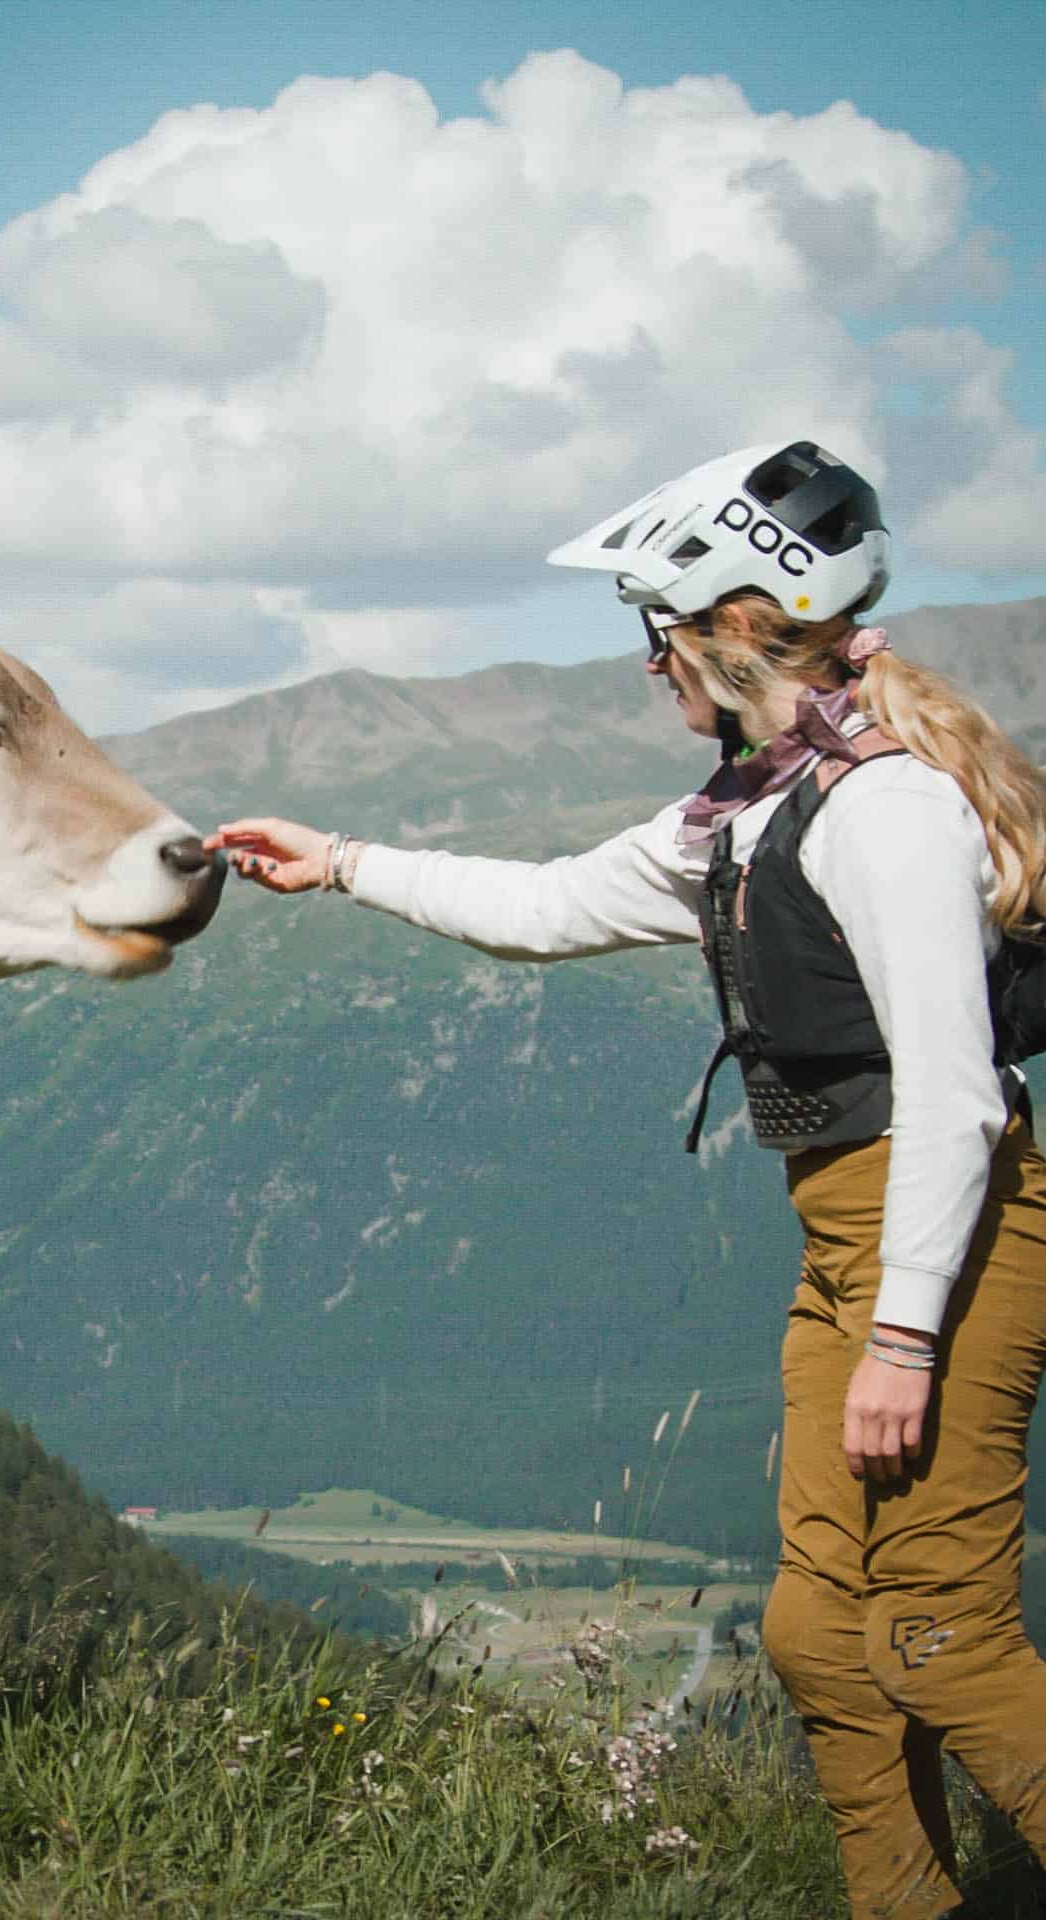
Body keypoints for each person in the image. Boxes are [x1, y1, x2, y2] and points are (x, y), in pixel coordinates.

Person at [204, 439, 1046, 1919]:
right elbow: (537, 908)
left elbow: (959, 1101)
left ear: (726, 629)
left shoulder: (882, 812)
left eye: (651, 636)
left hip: (951, 1233)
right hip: (854, 1235)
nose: (645, 668)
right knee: (813, 1633)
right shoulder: (743, 814)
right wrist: (335, 859)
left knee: (937, 1641)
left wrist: (907, 1333)